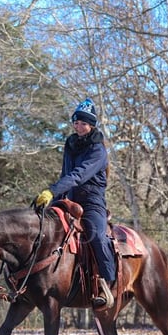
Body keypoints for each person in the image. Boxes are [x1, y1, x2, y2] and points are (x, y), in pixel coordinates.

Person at [35, 98, 116, 309]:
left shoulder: (98, 150)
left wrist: (51, 190)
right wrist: (54, 199)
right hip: (68, 198)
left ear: (92, 125)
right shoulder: (70, 144)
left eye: (83, 123)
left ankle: (107, 284)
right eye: (76, 122)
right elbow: (65, 173)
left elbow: (78, 175)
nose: (79, 126)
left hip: (92, 202)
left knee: (96, 235)